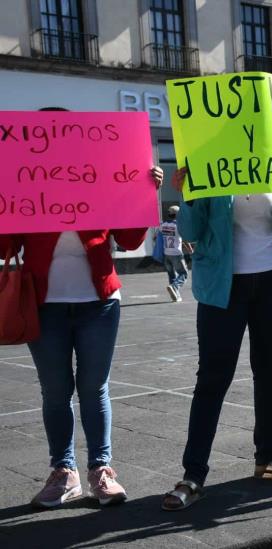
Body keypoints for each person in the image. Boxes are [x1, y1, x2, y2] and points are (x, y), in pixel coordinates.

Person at [161, 153, 272, 511]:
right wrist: (188, 194)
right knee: (211, 379)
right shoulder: (211, 160)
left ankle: (266, 460)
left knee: (269, 375)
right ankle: (193, 475)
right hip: (223, 287)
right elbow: (190, 233)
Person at [0, 168, 164, 509]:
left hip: (99, 304)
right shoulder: (24, 184)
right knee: (56, 390)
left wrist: (145, 194)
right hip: (44, 306)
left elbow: (131, 239)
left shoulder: (101, 179)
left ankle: (100, 471)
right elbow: (5, 247)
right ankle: (64, 472)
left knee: (94, 388)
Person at [158, 205, 191, 302]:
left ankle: (175, 296)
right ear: (178, 214)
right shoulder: (178, 226)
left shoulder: (163, 225)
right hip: (176, 253)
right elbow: (185, 239)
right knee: (183, 274)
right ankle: (175, 287)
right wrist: (190, 250)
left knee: (171, 275)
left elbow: (155, 237)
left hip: (166, 253)